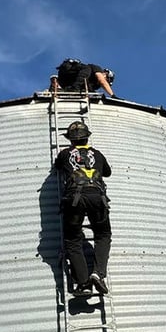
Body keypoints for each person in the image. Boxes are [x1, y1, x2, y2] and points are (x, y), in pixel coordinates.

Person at [54, 121, 113, 297]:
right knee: (103, 235)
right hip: (97, 197)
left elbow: (57, 167)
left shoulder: (64, 154)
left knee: (72, 240)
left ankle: (83, 283)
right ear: (87, 137)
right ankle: (98, 273)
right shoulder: (98, 154)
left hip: (74, 199)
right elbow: (107, 173)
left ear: (70, 140)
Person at [53, 58, 120, 99]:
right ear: (105, 74)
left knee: (91, 92)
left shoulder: (93, 85)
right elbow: (102, 80)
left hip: (65, 82)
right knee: (87, 69)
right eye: (107, 80)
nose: (105, 83)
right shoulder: (97, 69)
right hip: (69, 70)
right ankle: (74, 88)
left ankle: (60, 88)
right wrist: (112, 95)